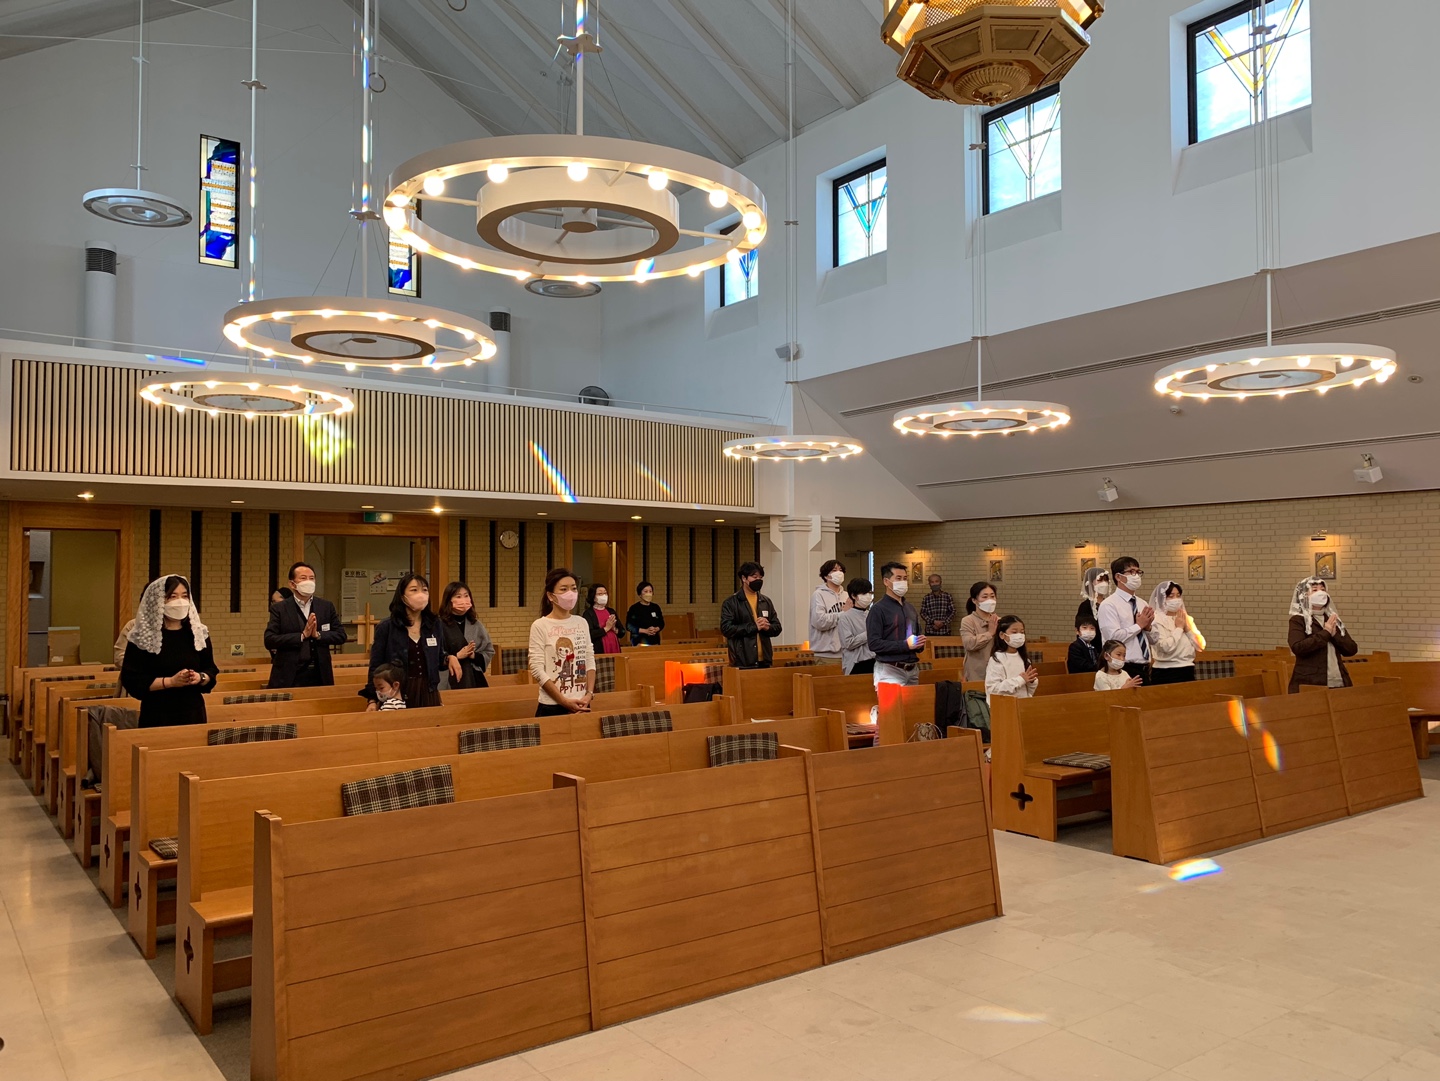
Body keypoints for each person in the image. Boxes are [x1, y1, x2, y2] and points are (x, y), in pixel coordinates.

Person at [120, 575, 220, 728]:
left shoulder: (198, 633)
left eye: (184, 596)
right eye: (173, 597)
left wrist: (200, 677)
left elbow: (210, 668)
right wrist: (171, 682)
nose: (180, 602)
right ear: (158, 601)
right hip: (157, 713)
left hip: (193, 712)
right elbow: (132, 680)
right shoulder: (142, 636)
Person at [365, 573, 444, 710]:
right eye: (414, 590)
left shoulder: (434, 624)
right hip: (397, 693)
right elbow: (376, 666)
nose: (421, 594)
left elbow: (439, 658)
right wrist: (372, 699)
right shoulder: (387, 627)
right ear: (402, 596)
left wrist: (450, 658)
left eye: (424, 590)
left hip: (428, 691)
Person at [265, 561, 347, 688]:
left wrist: (318, 635)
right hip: (288, 675)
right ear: (292, 584)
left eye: (312, 578)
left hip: (320, 674)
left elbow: (341, 635)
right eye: (303, 578)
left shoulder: (325, 606)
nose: (308, 582)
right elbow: (269, 640)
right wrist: (302, 636)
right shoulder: (280, 608)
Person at [529, 568, 595, 716]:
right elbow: (537, 669)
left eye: (573, 588)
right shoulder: (540, 625)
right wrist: (563, 701)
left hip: (582, 702)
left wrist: (589, 694)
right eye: (564, 589)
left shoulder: (582, 622)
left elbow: (589, 659)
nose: (570, 593)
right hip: (552, 705)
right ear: (550, 596)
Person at [1288, 577, 1358, 692]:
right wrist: (1325, 633)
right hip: (1311, 683)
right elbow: (1298, 647)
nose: (1320, 593)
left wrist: (1334, 635)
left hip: (1339, 681)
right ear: (1304, 595)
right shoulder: (1298, 620)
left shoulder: (1332, 619)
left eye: (1323, 589)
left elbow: (1351, 649)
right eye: (1315, 590)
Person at [867, 562, 925, 687]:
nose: (903, 582)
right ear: (886, 581)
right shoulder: (878, 609)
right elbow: (874, 643)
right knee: (892, 701)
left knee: (914, 701)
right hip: (889, 669)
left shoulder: (910, 608)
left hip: (912, 669)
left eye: (905, 578)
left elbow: (916, 634)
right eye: (898, 578)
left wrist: (919, 643)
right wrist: (905, 645)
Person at [1098, 556, 1154, 681]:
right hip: (1123, 667)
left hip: (1145, 666)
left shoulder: (1142, 603)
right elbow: (1113, 638)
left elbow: (1154, 640)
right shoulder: (1109, 604)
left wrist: (1148, 628)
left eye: (1138, 572)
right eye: (1131, 572)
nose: (1136, 576)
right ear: (1118, 577)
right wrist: (1138, 626)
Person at [720, 562, 782, 669]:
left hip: (765, 660)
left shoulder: (765, 601)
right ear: (744, 578)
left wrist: (768, 627)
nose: (758, 580)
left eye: (760, 577)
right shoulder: (731, 602)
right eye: (754, 577)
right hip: (742, 661)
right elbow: (726, 629)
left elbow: (777, 627)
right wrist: (754, 626)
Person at [1146, 580, 1206, 684]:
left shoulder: (1185, 618)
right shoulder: (1156, 620)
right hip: (1165, 672)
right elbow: (1165, 647)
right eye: (1171, 596)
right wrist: (1179, 629)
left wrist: (1187, 629)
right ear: (1162, 598)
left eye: (1178, 596)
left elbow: (1200, 646)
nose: (1176, 599)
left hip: (1187, 669)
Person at [438, 581, 494, 690]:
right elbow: (433, 655)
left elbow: (488, 651)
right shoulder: (439, 624)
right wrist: (457, 656)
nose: (463, 600)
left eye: (466, 596)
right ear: (449, 600)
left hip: (474, 678)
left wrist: (473, 655)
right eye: (458, 596)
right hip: (448, 679)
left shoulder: (476, 624)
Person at [985, 616, 1039, 702]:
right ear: (1002, 635)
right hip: (1004, 705)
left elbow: (1029, 692)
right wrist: (1020, 680)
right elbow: (993, 689)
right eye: (1014, 632)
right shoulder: (997, 659)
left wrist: (1031, 682)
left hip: (1022, 703)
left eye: (1022, 632)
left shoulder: (1024, 657)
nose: (1019, 635)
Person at [808, 559, 850, 663]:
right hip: (825, 654)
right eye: (834, 570)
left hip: (845, 653)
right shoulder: (818, 595)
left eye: (841, 570)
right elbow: (819, 621)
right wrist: (842, 614)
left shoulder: (846, 595)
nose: (839, 573)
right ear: (826, 576)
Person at [958, 582, 999, 682]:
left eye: (992, 596)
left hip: (997, 671)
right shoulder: (968, 620)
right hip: (976, 672)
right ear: (974, 600)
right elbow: (969, 644)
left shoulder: (998, 620)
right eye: (985, 597)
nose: (989, 600)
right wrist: (990, 633)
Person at [837, 577, 876, 676]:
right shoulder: (845, 617)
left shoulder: (872, 614)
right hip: (856, 664)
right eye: (864, 593)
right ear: (853, 596)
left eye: (869, 592)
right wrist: (869, 633)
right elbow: (848, 643)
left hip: (874, 661)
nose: (868, 596)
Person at [583, 583, 626, 656]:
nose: (603, 596)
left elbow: (622, 632)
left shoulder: (611, 611)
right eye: (600, 594)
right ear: (593, 597)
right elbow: (589, 634)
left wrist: (614, 629)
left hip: (614, 646)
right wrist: (606, 628)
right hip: (599, 649)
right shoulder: (588, 613)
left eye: (605, 593)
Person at [626, 581, 665, 647]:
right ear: (640, 594)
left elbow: (661, 623)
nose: (648, 594)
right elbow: (629, 626)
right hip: (639, 642)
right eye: (645, 591)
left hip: (655, 641)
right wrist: (645, 631)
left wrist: (656, 629)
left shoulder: (656, 607)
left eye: (650, 591)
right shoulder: (634, 608)